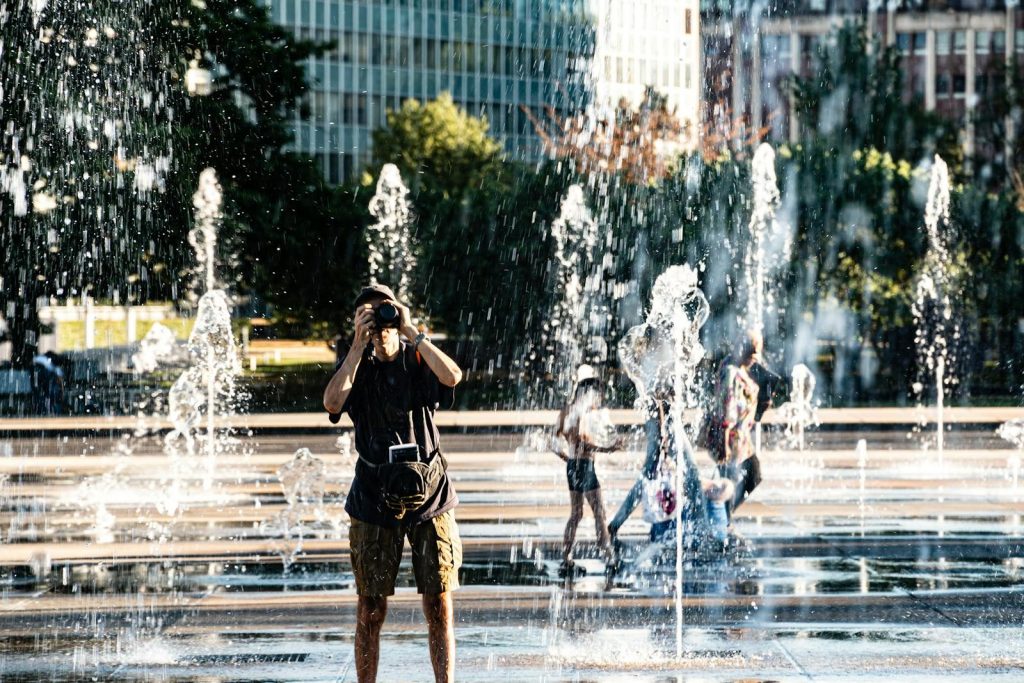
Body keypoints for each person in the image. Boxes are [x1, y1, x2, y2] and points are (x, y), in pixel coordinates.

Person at [323, 284, 463, 683]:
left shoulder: (418, 358)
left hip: (430, 497)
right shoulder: (356, 366)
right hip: (372, 498)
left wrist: (410, 330)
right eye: (368, 314)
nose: (379, 322)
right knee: (370, 607)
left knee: (439, 603)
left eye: (383, 312)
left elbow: (453, 375)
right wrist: (355, 345)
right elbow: (332, 403)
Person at [554, 367, 620, 574]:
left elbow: (555, 442)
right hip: (584, 466)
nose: (599, 398)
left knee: (576, 514)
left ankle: (566, 557)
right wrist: (608, 449)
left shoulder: (566, 411)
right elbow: (583, 442)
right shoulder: (582, 413)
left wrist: (568, 459)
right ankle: (609, 557)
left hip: (573, 466)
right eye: (597, 393)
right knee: (599, 512)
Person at [713, 332, 763, 515]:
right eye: (753, 353)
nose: (756, 358)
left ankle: (722, 515)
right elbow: (727, 407)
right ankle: (721, 518)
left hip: (741, 439)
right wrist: (723, 443)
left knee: (752, 476)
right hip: (731, 438)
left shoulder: (735, 366)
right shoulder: (731, 371)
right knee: (732, 482)